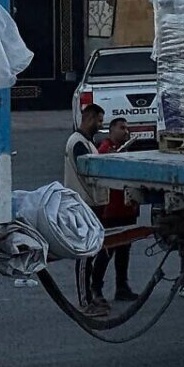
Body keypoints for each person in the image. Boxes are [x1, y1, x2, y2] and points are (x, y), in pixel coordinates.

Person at [62, 104, 110, 315]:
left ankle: (90, 296)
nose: (100, 125)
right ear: (89, 118)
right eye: (99, 121)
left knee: (92, 253)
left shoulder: (87, 142)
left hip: (91, 204)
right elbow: (88, 171)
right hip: (83, 205)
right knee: (85, 255)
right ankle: (84, 302)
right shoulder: (78, 143)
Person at [90, 119, 139, 303]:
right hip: (111, 210)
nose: (125, 131)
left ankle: (122, 287)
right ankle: (96, 288)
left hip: (126, 208)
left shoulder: (124, 150)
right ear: (111, 130)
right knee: (106, 251)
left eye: (127, 128)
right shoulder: (105, 150)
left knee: (124, 251)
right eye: (122, 128)